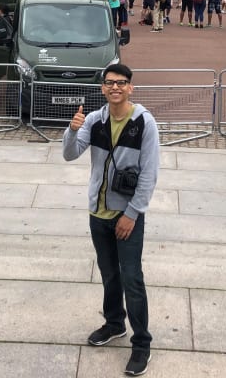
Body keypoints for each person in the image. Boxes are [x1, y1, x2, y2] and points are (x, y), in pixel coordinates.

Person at [63, 64, 159, 377]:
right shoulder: (94, 120)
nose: (114, 88)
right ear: (103, 88)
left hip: (125, 214)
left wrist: (131, 214)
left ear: (130, 87)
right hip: (98, 213)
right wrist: (73, 129)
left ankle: (141, 342)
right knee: (108, 274)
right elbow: (70, 154)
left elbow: (149, 174)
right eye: (109, 83)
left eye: (120, 83)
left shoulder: (144, 122)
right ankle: (115, 323)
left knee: (132, 278)